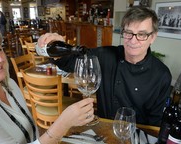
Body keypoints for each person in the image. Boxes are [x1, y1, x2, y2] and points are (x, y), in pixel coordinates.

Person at [37, 6, 172, 126]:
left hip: (137, 137)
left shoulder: (162, 75)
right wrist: (54, 44)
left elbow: (156, 123)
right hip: (103, 129)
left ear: (153, 37)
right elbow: (68, 62)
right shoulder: (104, 55)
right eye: (128, 33)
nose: (133, 40)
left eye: (142, 34)